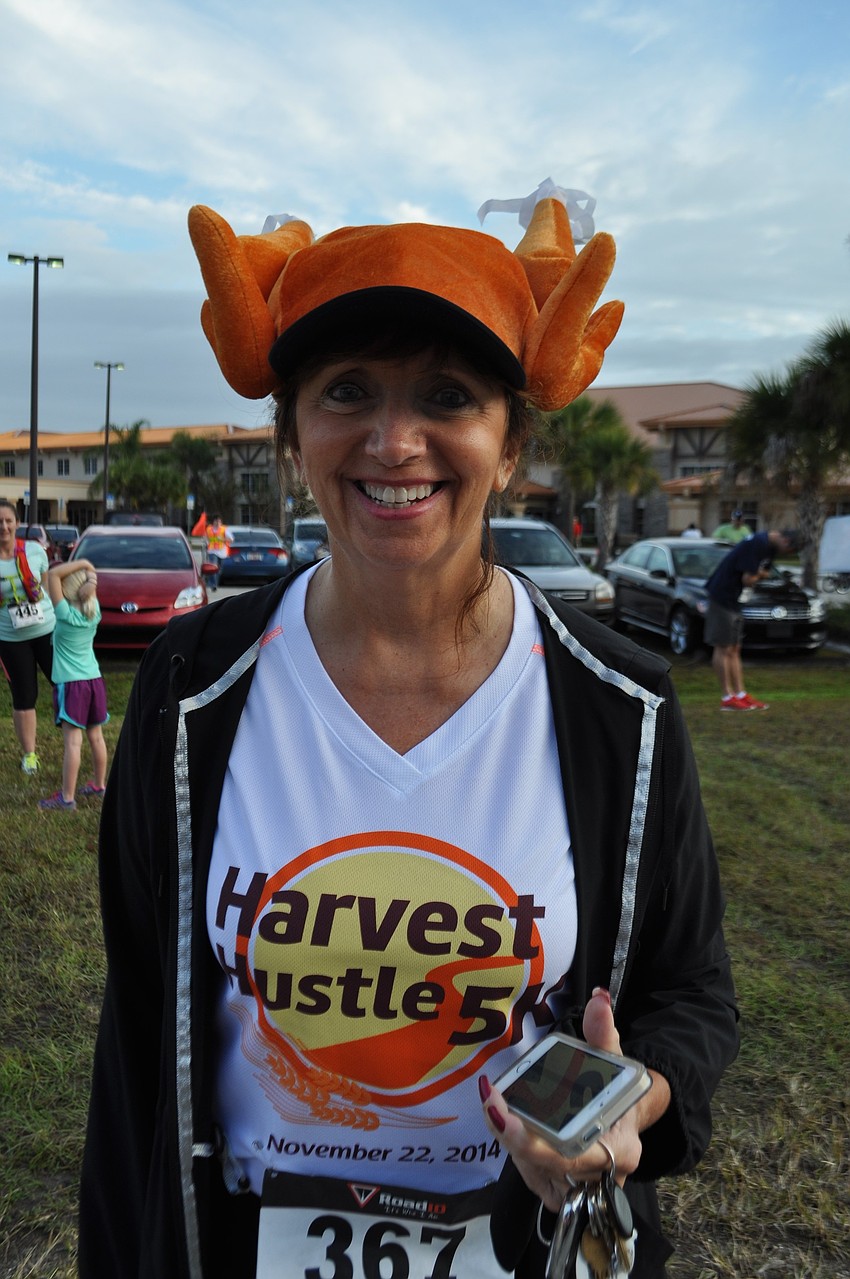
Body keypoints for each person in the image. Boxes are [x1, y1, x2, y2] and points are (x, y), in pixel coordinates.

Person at [79, 193, 738, 1279]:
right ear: (292, 432)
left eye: (448, 394)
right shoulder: (194, 689)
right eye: (346, 392)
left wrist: (631, 1105)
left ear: (510, 441)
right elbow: (143, 1029)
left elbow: (688, 992)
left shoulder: (617, 704)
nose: (394, 441)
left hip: (523, 1242)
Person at [37, 559, 108, 811]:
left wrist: (86, 563)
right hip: (94, 681)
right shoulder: (94, 610)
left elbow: (53, 574)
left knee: (73, 743)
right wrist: (90, 576)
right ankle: (100, 785)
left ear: (65, 592)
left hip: (72, 685)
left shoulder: (64, 615)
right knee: (96, 737)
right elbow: (79, 585)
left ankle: (66, 798)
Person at [704, 529, 800, 711]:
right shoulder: (758, 543)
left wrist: (761, 573)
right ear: (785, 540)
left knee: (734, 648)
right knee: (722, 647)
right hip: (722, 597)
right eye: (789, 550)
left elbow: (762, 571)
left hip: (737, 600)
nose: (785, 554)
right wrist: (762, 575)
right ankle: (727, 696)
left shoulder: (769, 548)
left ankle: (740, 694)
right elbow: (749, 578)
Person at [0, 499, 56, 774]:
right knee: (24, 695)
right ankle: (30, 755)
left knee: (66, 683)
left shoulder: (35, 551)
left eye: (8, 520)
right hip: (11, 637)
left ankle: (76, 737)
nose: (4, 526)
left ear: (17, 523)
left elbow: (45, 585)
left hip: (46, 630)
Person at [204, 514, 233, 591]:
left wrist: (223, 539)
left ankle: (215, 583)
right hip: (212, 551)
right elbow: (206, 538)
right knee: (212, 567)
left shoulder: (224, 529)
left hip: (222, 552)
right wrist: (206, 544)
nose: (217, 523)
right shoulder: (209, 529)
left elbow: (231, 540)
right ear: (213, 522)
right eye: (216, 521)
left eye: (219, 521)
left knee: (219, 569)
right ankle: (213, 584)